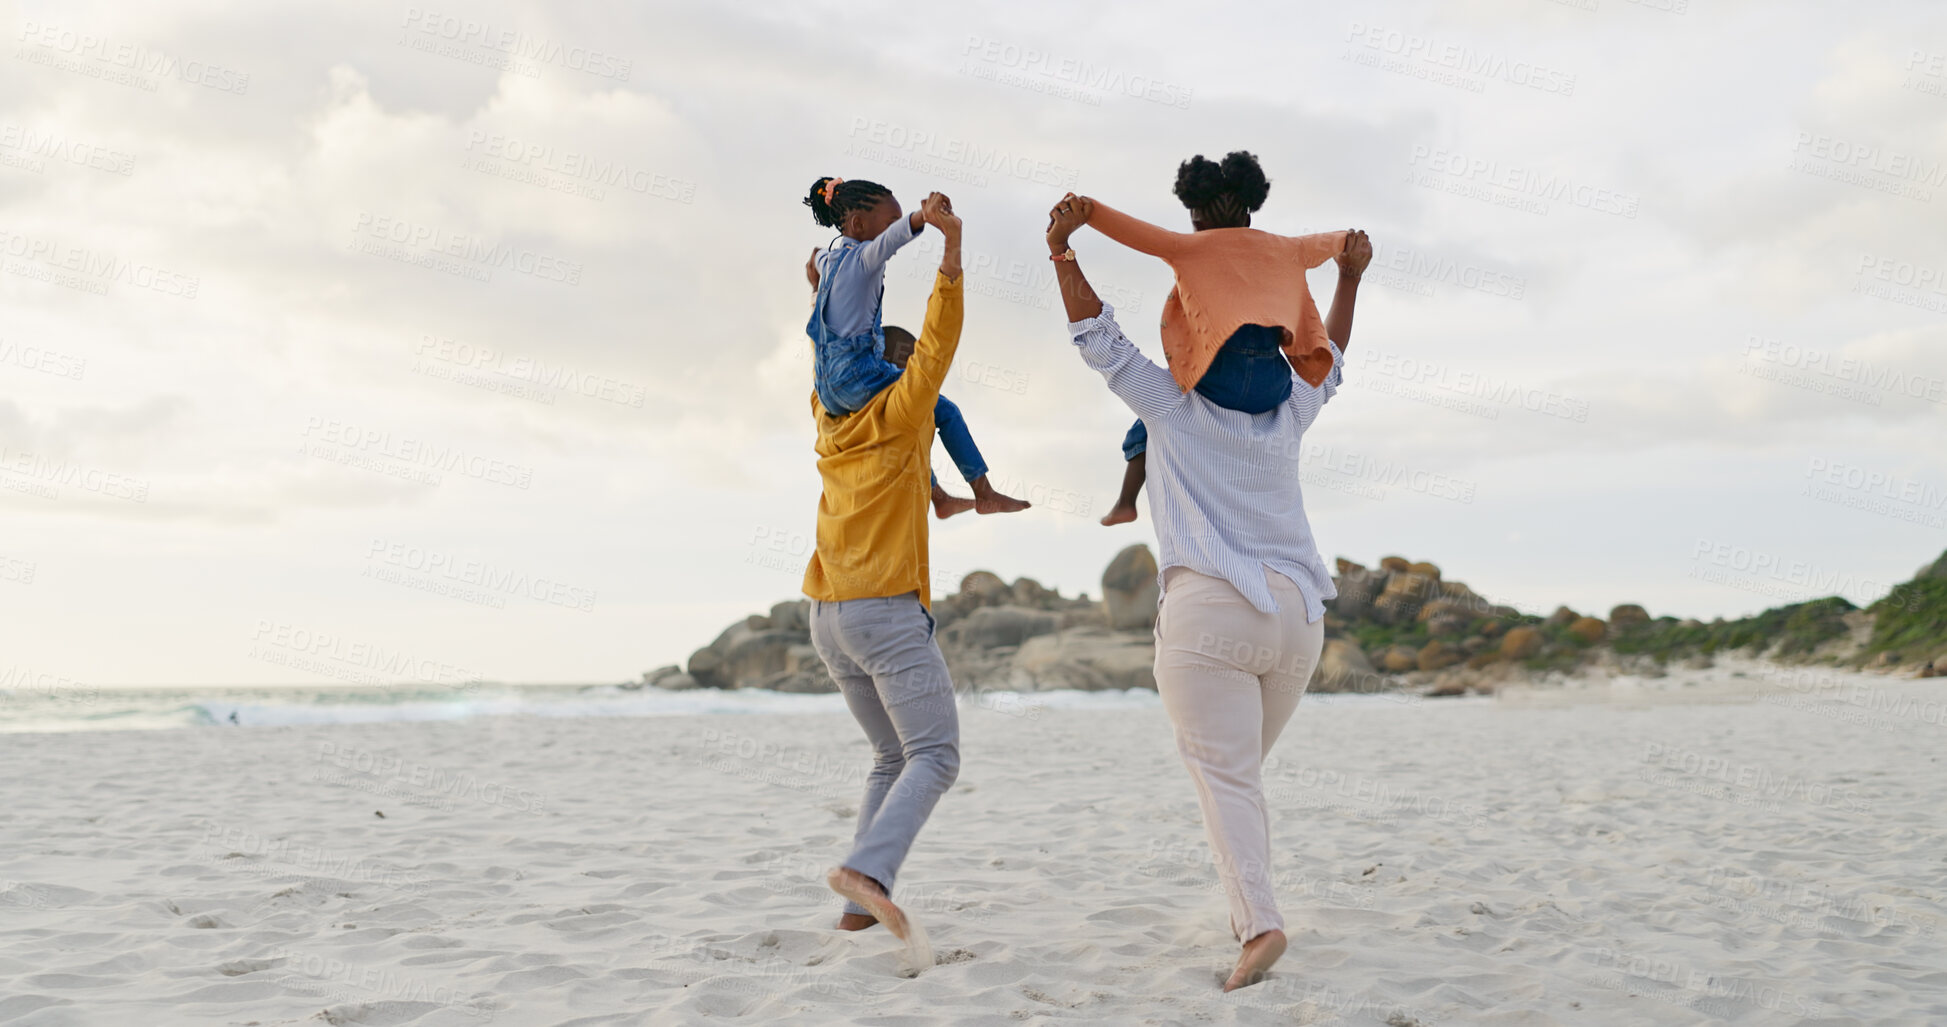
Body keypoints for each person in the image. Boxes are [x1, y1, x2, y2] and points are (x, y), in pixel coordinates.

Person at [1045, 191, 1372, 992]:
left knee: (1224, 776)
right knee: (1235, 775)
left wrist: (1063, 253)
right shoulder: (1291, 410)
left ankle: (1259, 924)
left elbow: (1100, 340)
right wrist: (1351, 278)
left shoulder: (1173, 406)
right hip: (1298, 617)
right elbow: (1328, 351)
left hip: (1209, 608)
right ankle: (1244, 909)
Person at [802, 194, 973, 975]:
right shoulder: (904, 412)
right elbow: (935, 345)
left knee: (887, 755)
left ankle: (852, 912)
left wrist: (816, 291)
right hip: (882, 610)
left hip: (825, 613)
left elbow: (830, 343)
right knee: (934, 754)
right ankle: (868, 872)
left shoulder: (828, 418)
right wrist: (950, 254)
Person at [1060, 152, 1364, 527]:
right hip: (1272, 388)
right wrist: (1350, 255)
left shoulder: (1186, 246)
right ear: (1249, 215)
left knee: (1147, 420)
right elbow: (1333, 244)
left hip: (1213, 380)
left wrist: (1087, 213)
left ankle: (1126, 500)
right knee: (1156, 413)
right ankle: (1125, 501)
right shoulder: (1288, 249)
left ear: (1196, 219)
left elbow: (1134, 233)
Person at [805, 176, 1028, 519]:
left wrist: (816, 273)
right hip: (858, 378)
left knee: (913, 418)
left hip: (827, 387)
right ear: (858, 224)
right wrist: (922, 217)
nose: (891, 228)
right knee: (941, 407)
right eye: (887, 221)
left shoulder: (830, 260)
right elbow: (892, 241)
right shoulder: (865, 259)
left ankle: (939, 497)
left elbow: (814, 259)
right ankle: (983, 492)